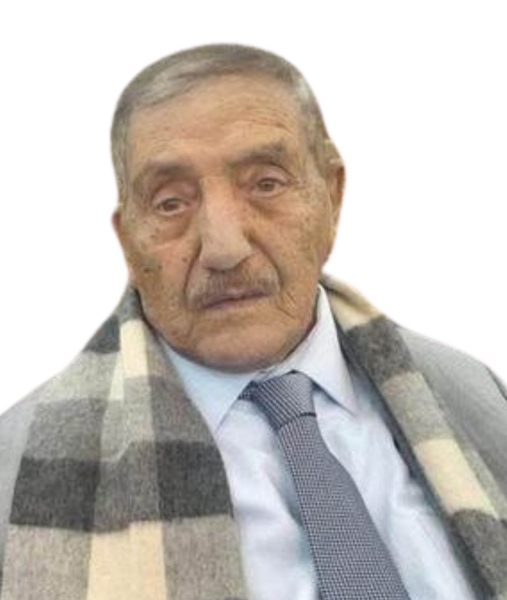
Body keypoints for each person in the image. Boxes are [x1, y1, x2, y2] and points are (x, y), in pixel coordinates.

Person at [0, 44, 505, 600]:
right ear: (128, 241)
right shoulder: (14, 475)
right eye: (170, 203)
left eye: (266, 183)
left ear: (332, 197)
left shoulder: (477, 396)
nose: (224, 247)